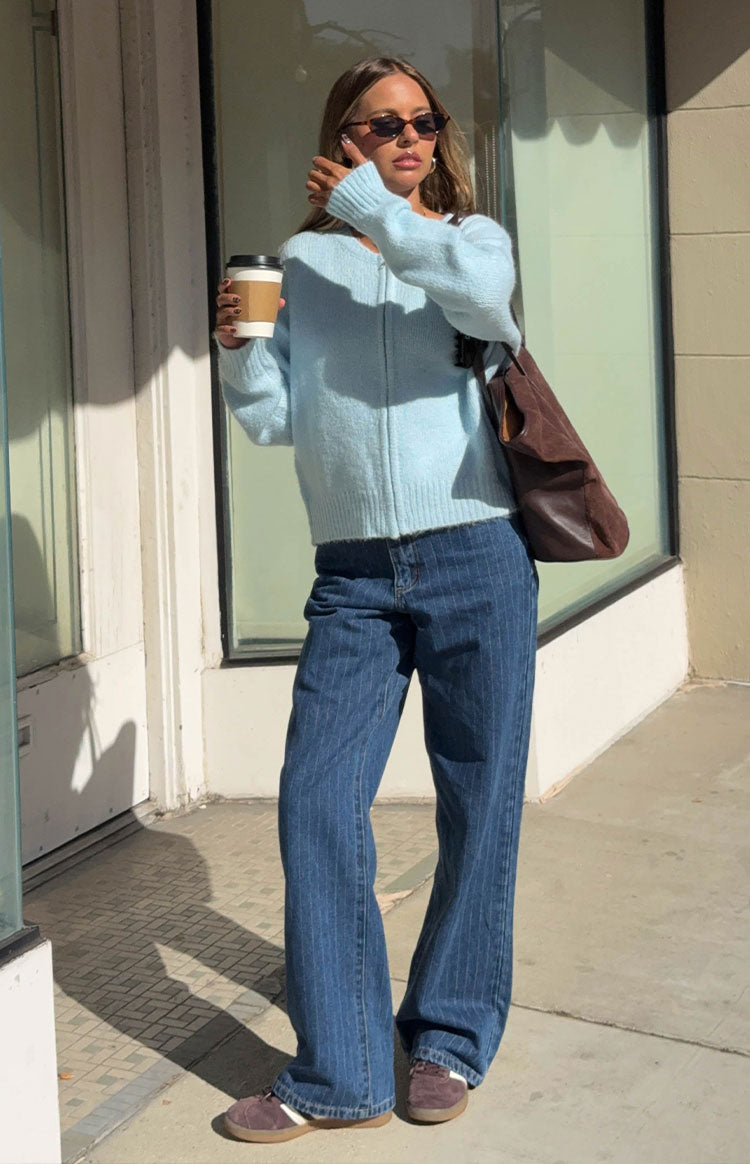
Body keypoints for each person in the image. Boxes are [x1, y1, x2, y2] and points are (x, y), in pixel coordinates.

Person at [212, 55, 538, 1145]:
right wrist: (242, 356)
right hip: (353, 575)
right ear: (343, 135)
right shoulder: (303, 263)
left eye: (423, 120)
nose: (409, 136)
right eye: (381, 123)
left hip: (474, 556)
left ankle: (445, 1034)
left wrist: (378, 210)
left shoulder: (469, 241)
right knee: (315, 802)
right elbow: (272, 422)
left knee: (478, 805)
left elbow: (485, 307)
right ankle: (340, 1070)